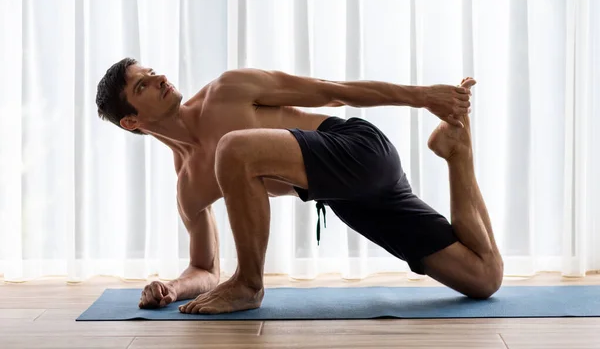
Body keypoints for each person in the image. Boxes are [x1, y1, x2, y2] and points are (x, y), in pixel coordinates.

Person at [95, 58, 503, 314]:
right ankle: (457, 151)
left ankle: (250, 285)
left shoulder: (227, 90)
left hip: (359, 148)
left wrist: (421, 97)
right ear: (131, 121)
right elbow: (204, 268)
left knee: (233, 147)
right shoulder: (188, 185)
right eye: (142, 85)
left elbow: (331, 92)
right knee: (483, 280)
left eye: (150, 71)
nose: (158, 76)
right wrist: (173, 286)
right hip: (346, 194)